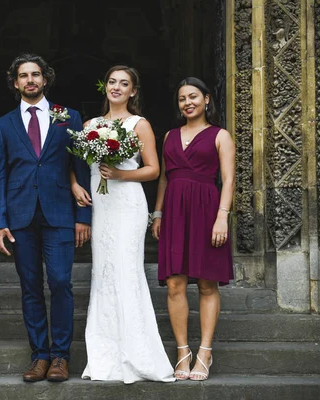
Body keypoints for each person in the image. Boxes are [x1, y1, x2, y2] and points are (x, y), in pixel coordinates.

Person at [0, 53, 92, 383]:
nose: (30, 80)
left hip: (60, 213)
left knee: (61, 282)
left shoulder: (68, 117)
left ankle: (61, 356)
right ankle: (40, 356)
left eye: (35, 74)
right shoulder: (3, 124)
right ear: (16, 82)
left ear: (45, 79)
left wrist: (83, 217)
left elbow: (81, 169)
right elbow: (1, 175)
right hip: (20, 217)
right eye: (23, 75)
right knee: (30, 287)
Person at [71, 66, 175, 384]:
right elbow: (74, 163)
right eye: (113, 82)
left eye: (124, 83)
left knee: (127, 270)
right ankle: (105, 354)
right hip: (101, 206)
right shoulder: (91, 126)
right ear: (105, 87)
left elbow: (154, 170)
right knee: (103, 273)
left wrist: (120, 174)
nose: (117, 87)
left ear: (133, 91)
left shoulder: (139, 124)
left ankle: (137, 353)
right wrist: (77, 184)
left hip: (128, 203)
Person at [151, 77, 235, 381]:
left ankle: (205, 353)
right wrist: (158, 214)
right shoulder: (169, 136)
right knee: (174, 283)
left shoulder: (220, 135)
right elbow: (163, 178)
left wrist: (222, 217)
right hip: (174, 212)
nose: (188, 103)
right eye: (182, 98)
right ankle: (183, 352)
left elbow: (228, 180)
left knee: (206, 284)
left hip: (207, 211)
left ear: (207, 99)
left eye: (193, 97)